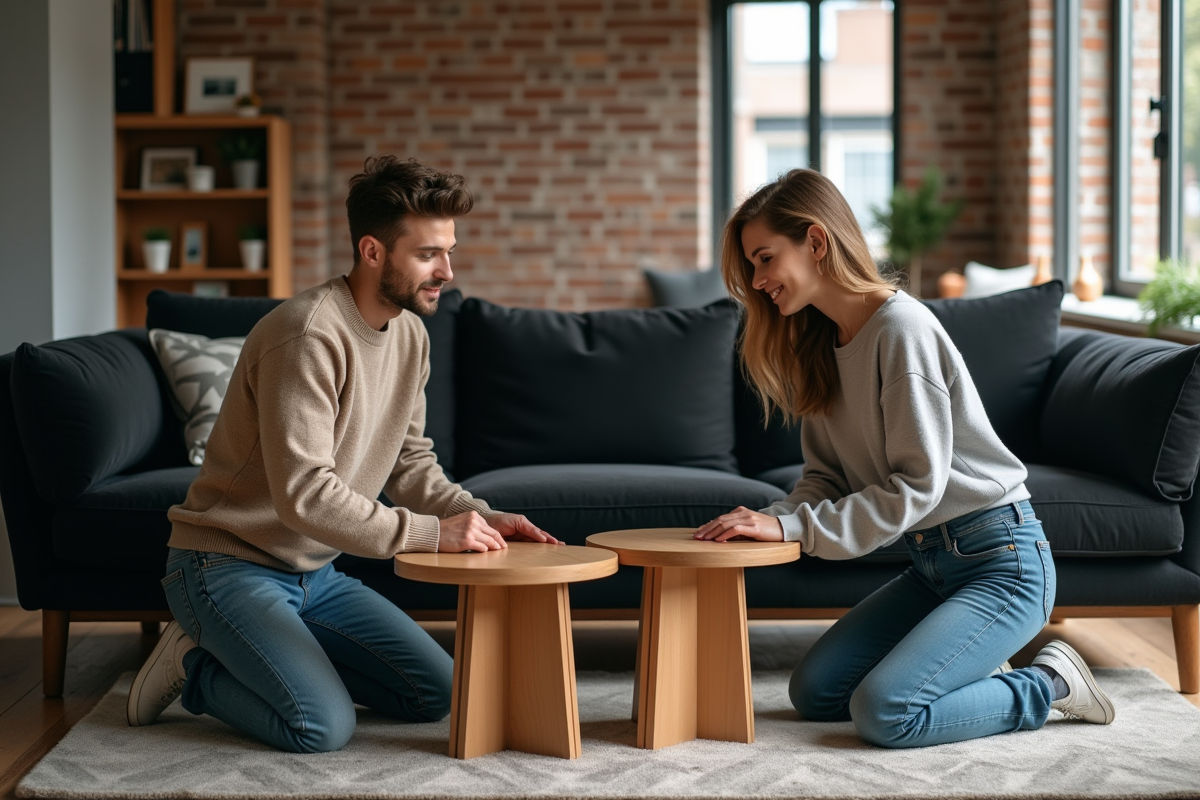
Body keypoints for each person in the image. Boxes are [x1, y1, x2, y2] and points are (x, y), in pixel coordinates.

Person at [126, 156, 558, 753]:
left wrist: (475, 516)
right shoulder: (306, 335)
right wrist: (432, 533)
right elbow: (305, 495)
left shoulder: (410, 335)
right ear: (372, 250)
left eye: (449, 252)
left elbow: (410, 461)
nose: (447, 271)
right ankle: (196, 667)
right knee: (319, 727)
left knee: (437, 695)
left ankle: (278, 656)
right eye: (429, 254)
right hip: (225, 566)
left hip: (316, 573)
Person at [694, 168, 1114, 749]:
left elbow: (917, 487)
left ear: (816, 242)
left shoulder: (901, 329)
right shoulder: (821, 341)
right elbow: (824, 475)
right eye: (752, 266)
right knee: (814, 693)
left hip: (1003, 564)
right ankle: (962, 664)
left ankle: (1049, 684)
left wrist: (793, 527)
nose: (757, 280)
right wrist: (776, 519)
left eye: (765, 259)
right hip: (931, 566)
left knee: (885, 714)